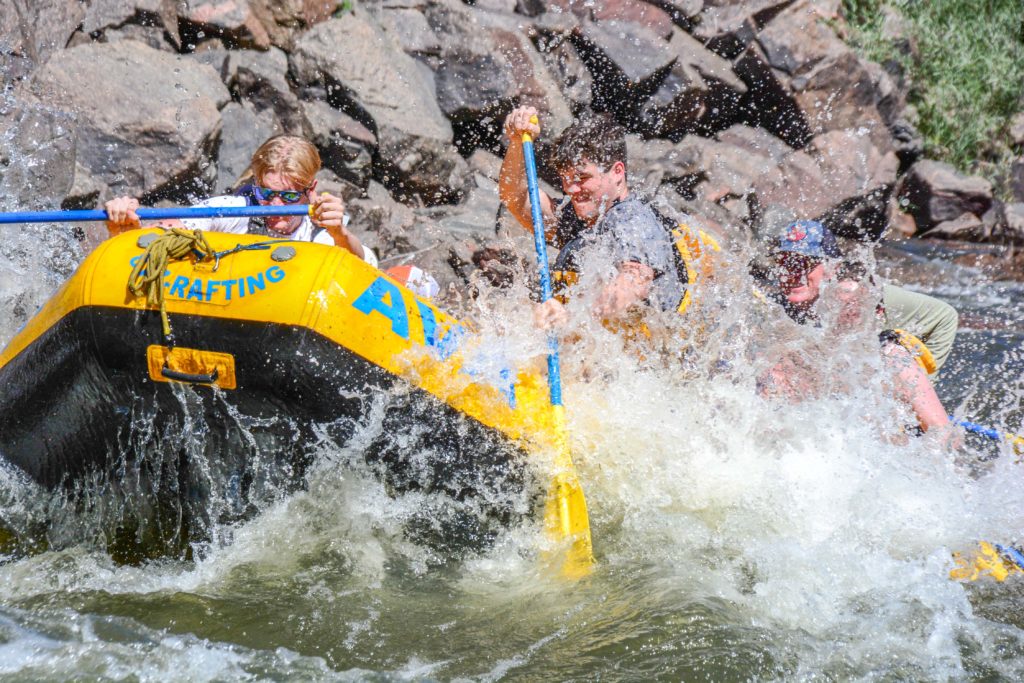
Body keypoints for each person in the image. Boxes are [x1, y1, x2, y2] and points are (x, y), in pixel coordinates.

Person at [498, 106, 694, 332]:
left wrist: (572, 318)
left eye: (582, 178)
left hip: (654, 349)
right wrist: (516, 143)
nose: (571, 189)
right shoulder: (577, 219)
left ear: (617, 172)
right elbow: (514, 197)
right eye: (566, 179)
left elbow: (634, 283)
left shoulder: (632, 220)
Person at [768, 219, 957, 433]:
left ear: (833, 268)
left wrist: (918, 391)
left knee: (891, 352)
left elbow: (945, 317)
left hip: (899, 358)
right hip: (846, 375)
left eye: (807, 262)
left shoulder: (851, 296)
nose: (794, 271)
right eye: (786, 261)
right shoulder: (776, 306)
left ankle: (927, 419)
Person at [103, 135, 377, 265]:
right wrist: (128, 228)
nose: (277, 207)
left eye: (290, 196)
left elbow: (362, 264)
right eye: (267, 194)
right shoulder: (233, 211)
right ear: (256, 185)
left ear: (311, 190)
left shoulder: (323, 229)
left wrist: (340, 233)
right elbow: (172, 231)